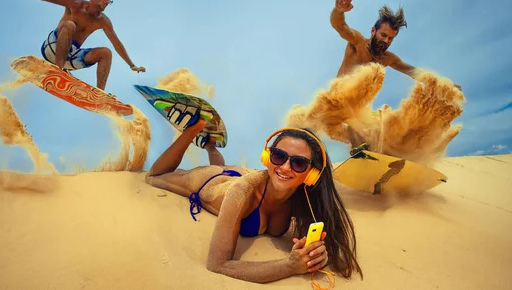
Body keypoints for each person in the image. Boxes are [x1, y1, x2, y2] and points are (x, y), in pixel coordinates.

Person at [145, 113, 363, 284]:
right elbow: (217, 265)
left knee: (222, 164)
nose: (285, 167)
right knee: (155, 178)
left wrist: (316, 255)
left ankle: (210, 145)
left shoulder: (303, 198)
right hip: (213, 182)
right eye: (278, 156)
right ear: (267, 158)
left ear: (311, 173)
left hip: (244, 173)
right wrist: (289, 265)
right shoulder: (241, 193)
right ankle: (195, 128)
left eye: (298, 163)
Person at [0, 0, 146, 91]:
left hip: (71, 57)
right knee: (70, 25)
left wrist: (132, 65)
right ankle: (57, 72)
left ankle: (99, 95)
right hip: (53, 47)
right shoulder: (74, 3)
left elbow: (117, 44)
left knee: (106, 52)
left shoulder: (104, 21)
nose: (108, 1)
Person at [330, 0, 462, 90]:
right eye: (383, 35)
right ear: (373, 31)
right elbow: (340, 26)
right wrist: (339, 10)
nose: (386, 41)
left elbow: (413, 71)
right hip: (335, 101)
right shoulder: (357, 42)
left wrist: (445, 85)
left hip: (357, 111)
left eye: (390, 38)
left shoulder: (388, 59)